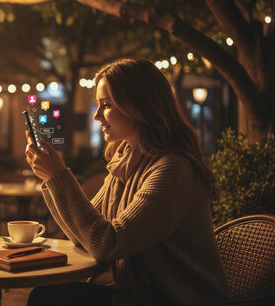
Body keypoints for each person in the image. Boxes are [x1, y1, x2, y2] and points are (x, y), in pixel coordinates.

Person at [24, 58, 230, 305]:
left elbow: (108, 244)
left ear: (139, 106)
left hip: (175, 299)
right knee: (48, 294)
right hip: (140, 295)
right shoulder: (126, 161)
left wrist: (59, 176)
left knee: (49, 297)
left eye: (107, 105)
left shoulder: (173, 170)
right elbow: (84, 235)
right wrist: (51, 177)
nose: (98, 116)